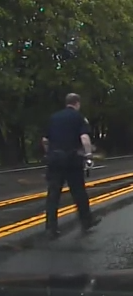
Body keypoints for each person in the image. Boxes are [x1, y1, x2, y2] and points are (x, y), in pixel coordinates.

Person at [41, 93, 101, 239]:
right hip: (72, 159)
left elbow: (45, 140)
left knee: (53, 194)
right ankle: (86, 221)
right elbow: (84, 138)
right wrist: (88, 155)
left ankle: (51, 228)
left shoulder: (53, 118)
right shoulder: (79, 118)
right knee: (79, 192)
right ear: (77, 103)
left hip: (55, 159)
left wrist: (50, 154)